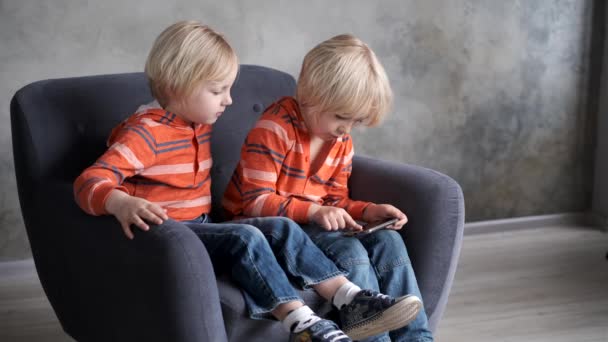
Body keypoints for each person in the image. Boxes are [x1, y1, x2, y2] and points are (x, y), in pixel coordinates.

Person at [73, 21, 420, 342]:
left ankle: (361, 306)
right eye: (218, 90)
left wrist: (367, 210)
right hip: (171, 236)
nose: (230, 100)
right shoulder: (146, 133)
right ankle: (306, 323)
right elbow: (89, 181)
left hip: (205, 228)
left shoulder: (195, 125)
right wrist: (119, 201)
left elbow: (334, 197)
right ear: (178, 85)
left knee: (309, 233)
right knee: (252, 234)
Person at [223, 34, 434, 341]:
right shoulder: (274, 130)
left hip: (314, 223)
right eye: (340, 117)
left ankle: (417, 338)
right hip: (273, 231)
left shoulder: (340, 141)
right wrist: (316, 211)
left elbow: (336, 198)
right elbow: (255, 203)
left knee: (389, 240)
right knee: (350, 250)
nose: (346, 130)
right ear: (310, 95)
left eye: (355, 122)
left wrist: (369, 211)